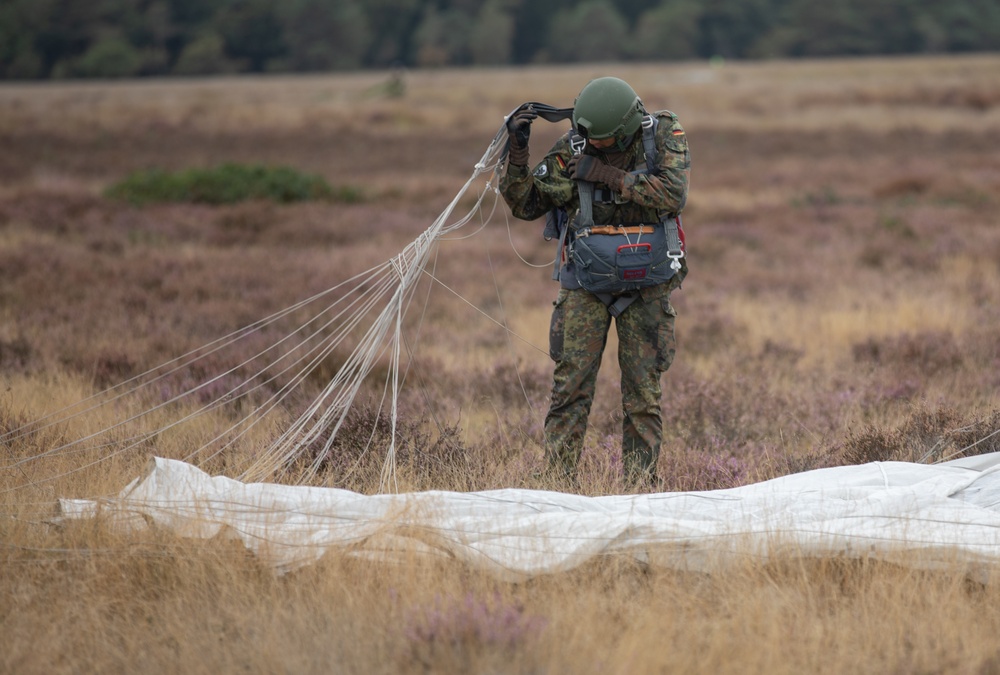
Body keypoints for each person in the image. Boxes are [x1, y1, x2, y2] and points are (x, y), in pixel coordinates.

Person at [499, 76, 691, 487]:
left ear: (623, 131)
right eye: (589, 138)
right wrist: (517, 152)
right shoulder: (576, 145)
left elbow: (674, 195)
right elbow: (526, 202)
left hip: (648, 286)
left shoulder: (662, 135)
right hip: (585, 286)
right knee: (569, 391)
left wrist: (607, 175)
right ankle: (555, 486)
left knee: (643, 396)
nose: (592, 144)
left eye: (601, 140)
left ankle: (640, 490)